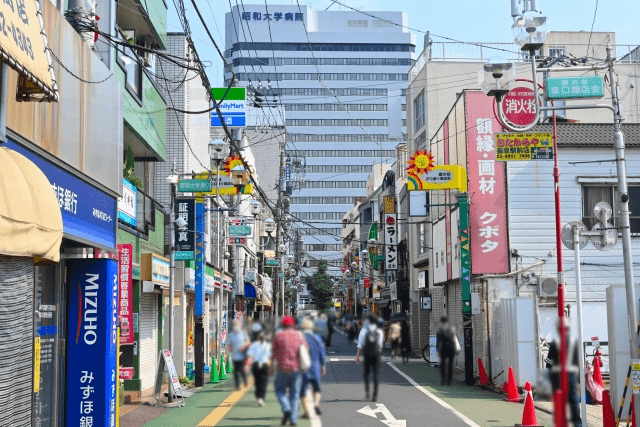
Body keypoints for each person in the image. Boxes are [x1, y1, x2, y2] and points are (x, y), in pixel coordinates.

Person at [271, 315, 308, 426]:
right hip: (296, 369)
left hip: (282, 368)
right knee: (295, 394)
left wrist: (270, 367)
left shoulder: (278, 336)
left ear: (283, 325)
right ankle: (293, 420)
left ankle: (286, 408)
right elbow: (305, 350)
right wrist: (304, 367)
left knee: (279, 391)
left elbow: (273, 352)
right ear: (293, 325)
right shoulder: (299, 336)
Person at [545, 320, 582, 427]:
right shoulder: (574, 342)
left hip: (557, 375)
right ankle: (577, 423)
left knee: (559, 400)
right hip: (571, 375)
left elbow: (549, 362)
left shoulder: (555, 342)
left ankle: (561, 422)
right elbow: (578, 362)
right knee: (573, 400)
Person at [300, 318, 326, 419]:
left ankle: (307, 412)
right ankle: (316, 404)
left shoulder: (301, 337)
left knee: (302, 391)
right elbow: (322, 353)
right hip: (316, 367)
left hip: (304, 368)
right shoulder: (317, 338)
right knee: (317, 389)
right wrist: (323, 365)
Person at [355, 313, 384, 402]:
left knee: (366, 374)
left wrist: (357, 356)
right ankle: (375, 395)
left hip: (367, 354)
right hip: (376, 354)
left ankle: (367, 394)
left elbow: (360, 344)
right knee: (376, 374)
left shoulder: (364, 330)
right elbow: (380, 345)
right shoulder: (379, 331)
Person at [246, 328, 271, 406]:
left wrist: (247, 366)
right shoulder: (268, 345)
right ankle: (261, 398)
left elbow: (250, 356)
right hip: (265, 365)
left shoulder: (254, 345)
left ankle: (258, 396)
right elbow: (270, 357)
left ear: (258, 338)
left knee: (257, 382)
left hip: (256, 365)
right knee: (264, 382)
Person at [228, 319, 250, 390]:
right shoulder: (230, 335)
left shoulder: (243, 333)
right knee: (235, 372)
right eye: (234, 324)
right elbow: (229, 346)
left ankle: (245, 379)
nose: (235, 326)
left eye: (236, 324)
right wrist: (227, 354)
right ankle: (237, 386)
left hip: (242, 356)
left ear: (239, 325)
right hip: (234, 356)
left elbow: (248, 341)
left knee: (241, 370)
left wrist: (244, 345)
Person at [436, 316, 458, 386]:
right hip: (451, 348)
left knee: (442, 365)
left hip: (443, 349)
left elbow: (438, 341)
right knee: (450, 365)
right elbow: (454, 339)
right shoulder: (452, 329)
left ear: (441, 322)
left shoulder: (440, 330)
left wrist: (438, 351)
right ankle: (449, 381)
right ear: (447, 322)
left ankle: (443, 380)